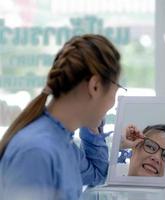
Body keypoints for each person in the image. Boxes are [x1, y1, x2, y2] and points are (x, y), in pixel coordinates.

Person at [0, 34, 123, 200]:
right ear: (95, 86)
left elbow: (98, 175)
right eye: (116, 91)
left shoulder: (66, 144)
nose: (113, 103)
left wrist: (92, 126)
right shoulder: (36, 151)